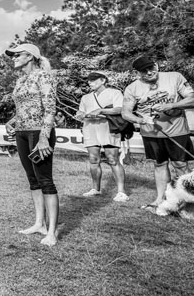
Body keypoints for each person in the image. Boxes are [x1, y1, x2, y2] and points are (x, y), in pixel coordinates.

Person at [121, 56, 194, 212]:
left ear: (156, 65)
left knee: (180, 165)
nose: (149, 73)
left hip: (176, 131)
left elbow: (192, 99)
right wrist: (140, 120)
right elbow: (126, 113)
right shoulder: (132, 88)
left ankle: (188, 203)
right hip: (151, 133)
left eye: (151, 68)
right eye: (144, 71)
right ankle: (161, 199)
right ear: (137, 73)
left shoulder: (174, 77)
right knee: (159, 164)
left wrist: (172, 105)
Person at [4, 43, 59, 247]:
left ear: (29, 56)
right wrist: (12, 121)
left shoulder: (43, 76)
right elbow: (25, 107)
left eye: (17, 55)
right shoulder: (21, 80)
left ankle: (52, 232)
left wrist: (44, 137)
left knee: (45, 180)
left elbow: (50, 108)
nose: (14, 58)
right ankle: (39, 224)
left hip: (39, 133)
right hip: (22, 133)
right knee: (32, 180)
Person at [75, 71, 128, 201]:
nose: (90, 82)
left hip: (109, 127)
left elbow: (119, 109)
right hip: (90, 128)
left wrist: (101, 110)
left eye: (93, 80)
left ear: (103, 80)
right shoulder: (86, 97)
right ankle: (95, 189)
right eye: (89, 80)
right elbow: (81, 111)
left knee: (112, 159)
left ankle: (121, 191)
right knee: (93, 159)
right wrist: (80, 114)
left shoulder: (115, 93)